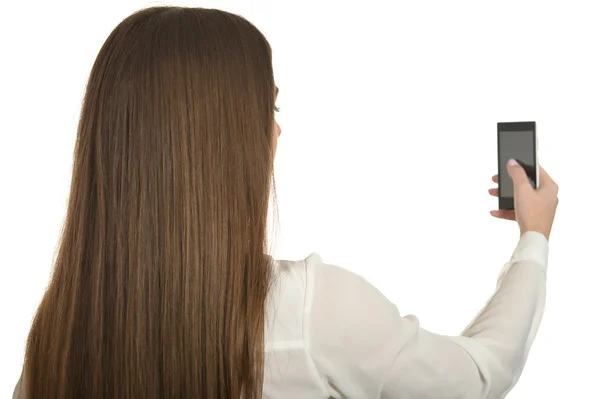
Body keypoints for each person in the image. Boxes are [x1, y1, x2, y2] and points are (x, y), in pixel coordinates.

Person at [12, 6, 559, 399]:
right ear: (221, 136)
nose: (276, 133)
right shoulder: (313, 315)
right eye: (267, 108)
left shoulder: (56, 339)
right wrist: (533, 238)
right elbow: (480, 377)